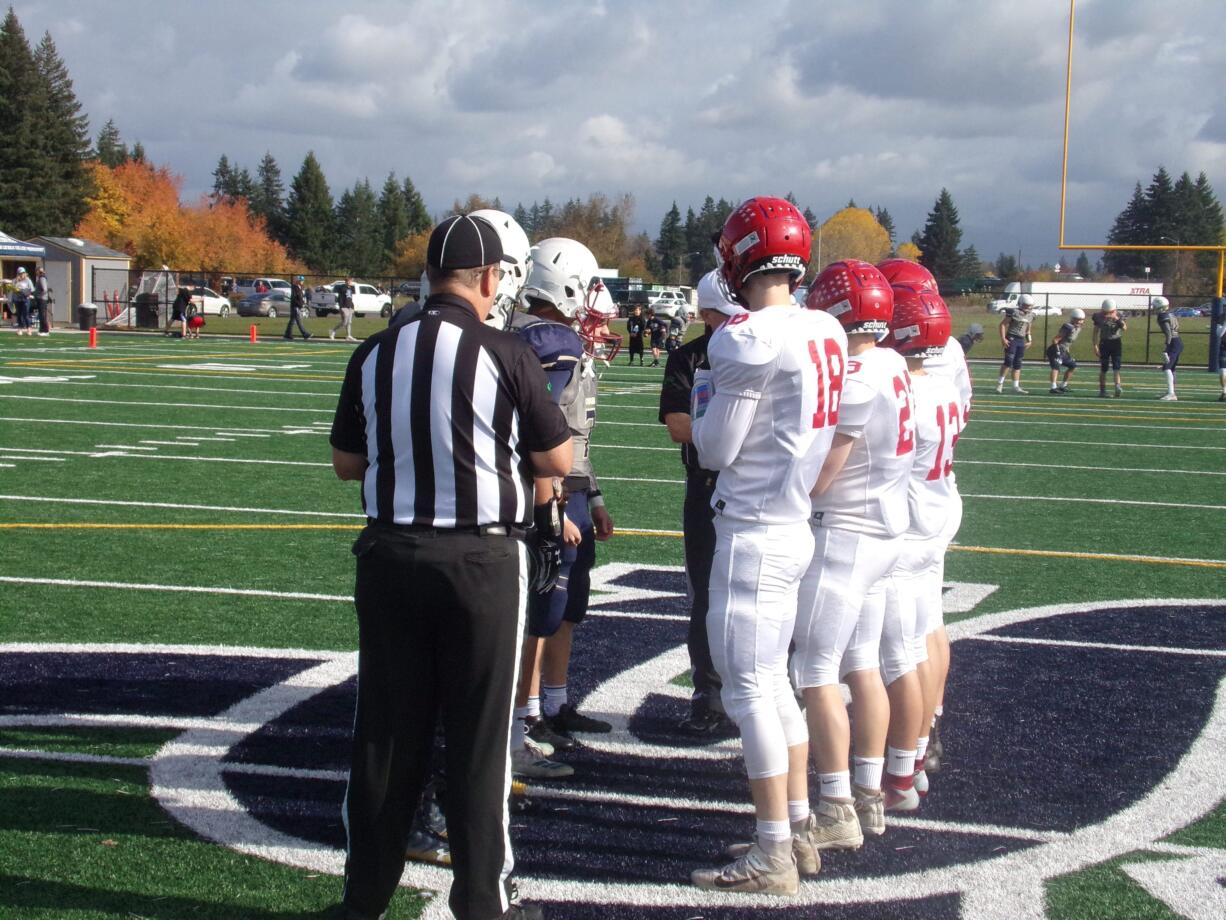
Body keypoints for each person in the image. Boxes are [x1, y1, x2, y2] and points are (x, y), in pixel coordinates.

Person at [330, 213, 571, 920]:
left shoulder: (375, 352)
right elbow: (557, 459)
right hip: (480, 561)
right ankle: (482, 904)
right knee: (478, 743)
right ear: (491, 279)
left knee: (384, 735)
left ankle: (363, 900)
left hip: (390, 556)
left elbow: (347, 464)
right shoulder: (505, 351)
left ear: (430, 277)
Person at [690, 196, 847, 895]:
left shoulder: (748, 335)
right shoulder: (823, 327)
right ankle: (798, 825)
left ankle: (773, 852)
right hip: (792, 525)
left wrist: (702, 400)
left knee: (750, 691)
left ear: (740, 255)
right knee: (776, 685)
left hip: (753, 527)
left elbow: (717, 447)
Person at [795, 258, 916, 846]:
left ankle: (837, 807)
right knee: (861, 664)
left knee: (814, 672)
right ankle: (869, 795)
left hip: (847, 533)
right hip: (886, 529)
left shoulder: (860, 376)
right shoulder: (891, 362)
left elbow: (823, 474)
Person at [508, 237, 617, 781]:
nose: (596, 303)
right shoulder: (546, 343)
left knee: (568, 607)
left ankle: (554, 704)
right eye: (589, 287)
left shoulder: (565, 341)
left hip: (571, 488)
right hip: (547, 494)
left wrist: (593, 494)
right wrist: (553, 504)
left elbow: (576, 437)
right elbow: (538, 433)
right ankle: (525, 716)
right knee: (540, 611)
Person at [881, 285, 958, 811]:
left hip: (905, 524)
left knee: (893, 654)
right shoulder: (944, 377)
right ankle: (919, 749)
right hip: (937, 507)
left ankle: (899, 770)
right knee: (929, 632)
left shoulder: (899, 388)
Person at [658, 270, 744, 735]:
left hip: (753, 488)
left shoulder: (761, 350)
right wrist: (731, 437)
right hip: (707, 485)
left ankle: (769, 691)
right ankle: (708, 693)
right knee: (706, 595)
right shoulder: (688, 357)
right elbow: (676, 424)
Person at [995, 294, 1035, 393]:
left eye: (1029, 305)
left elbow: (1028, 330)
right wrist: (1003, 338)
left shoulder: (1031, 315)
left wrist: (1029, 340)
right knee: (1008, 361)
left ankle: (1015, 386)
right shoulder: (1014, 313)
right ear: (1020, 303)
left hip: (1021, 340)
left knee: (1018, 363)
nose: (1028, 307)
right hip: (1012, 338)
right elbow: (1002, 325)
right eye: (1026, 305)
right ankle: (1000, 384)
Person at [1093, 298, 1127, 397]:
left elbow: (1124, 328)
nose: (1107, 314)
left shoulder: (1119, 315)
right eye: (1105, 312)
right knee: (1104, 368)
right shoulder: (1098, 316)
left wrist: (1116, 319)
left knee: (1116, 367)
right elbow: (1095, 332)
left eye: (1110, 312)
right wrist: (1095, 346)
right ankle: (1102, 391)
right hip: (1104, 343)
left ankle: (1117, 387)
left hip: (1116, 342)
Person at [1046, 308, 1085, 394]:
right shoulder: (1068, 327)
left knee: (1072, 365)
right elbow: (1055, 340)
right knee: (1056, 367)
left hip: (1063, 350)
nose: (1079, 321)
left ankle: (1063, 385)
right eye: (1077, 319)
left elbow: (1068, 342)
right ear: (1072, 318)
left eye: (1081, 320)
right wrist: (1057, 352)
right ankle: (1053, 387)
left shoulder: (1078, 329)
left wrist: (1067, 352)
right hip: (1055, 350)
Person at [1153, 296, 1181, 401]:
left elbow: (1169, 333)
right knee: (1171, 368)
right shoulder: (1170, 314)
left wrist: (1167, 346)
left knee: (1167, 367)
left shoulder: (1162, 316)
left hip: (1173, 342)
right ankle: (1171, 391)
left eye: (1155, 306)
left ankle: (1171, 393)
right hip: (1177, 341)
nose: (1154, 308)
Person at [284, 275, 312, 341]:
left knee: (292, 321)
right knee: (299, 321)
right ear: (298, 281)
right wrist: (299, 304)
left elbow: (300, 297)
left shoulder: (300, 287)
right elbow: (294, 298)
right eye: (301, 280)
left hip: (297, 306)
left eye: (302, 280)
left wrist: (303, 303)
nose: (302, 281)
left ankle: (287, 334)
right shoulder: (294, 287)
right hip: (295, 306)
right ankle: (305, 334)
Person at [330, 277, 357, 341]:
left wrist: (352, 306)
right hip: (344, 307)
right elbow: (340, 298)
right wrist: (341, 306)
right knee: (344, 322)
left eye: (350, 281)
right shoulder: (343, 288)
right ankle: (333, 331)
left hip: (350, 306)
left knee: (349, 322)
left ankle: (349, 335)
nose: (350, 282)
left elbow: (350, 297)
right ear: (346, 281)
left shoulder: (351, 288)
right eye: (349, 281)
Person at [10, 267, 33, 336]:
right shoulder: (15, 280)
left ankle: (29, 328)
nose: (21, 275)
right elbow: (12, 289)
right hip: (18, 299)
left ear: (25, 273)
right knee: (19, 314)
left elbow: (31, 289)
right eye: (19, 274)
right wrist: (16, 282)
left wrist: (24, 291)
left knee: (26, 314)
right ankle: (20, 328)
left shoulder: (28, 280)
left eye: (22, 273)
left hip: (25, 299)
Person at [33, 268, 52, 336]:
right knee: (41, 315)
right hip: (41, 299)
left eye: (37, 271)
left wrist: (38, 295)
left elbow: (44, 289)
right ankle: (41, 330)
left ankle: (45, 330)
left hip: (42, 299)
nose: (36, 273)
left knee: (43, 315)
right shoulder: (40, 278)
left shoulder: (42, 278)